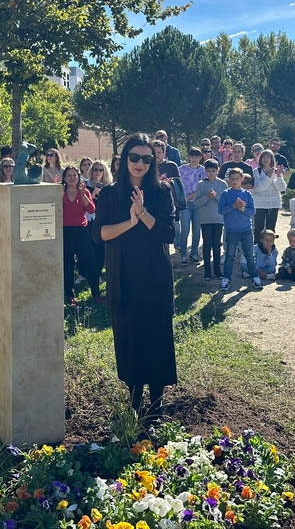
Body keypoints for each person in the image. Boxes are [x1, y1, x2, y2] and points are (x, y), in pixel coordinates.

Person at [92, 133, 176, 417]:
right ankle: (134, 400)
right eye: (134, 157)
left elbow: (169, 233)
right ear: (124, 158)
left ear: (153, 162)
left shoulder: (162, 191)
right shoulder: (110, 194)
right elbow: (99, 234)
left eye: (146, 159)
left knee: (156, 335)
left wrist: (143, 214)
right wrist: (130, 221)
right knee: (130, 337)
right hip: (123, 276)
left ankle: (157, 403)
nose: (139, 163)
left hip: (156, 275)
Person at [62, 166, 103, 305]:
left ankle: (96, 294)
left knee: (91, 262)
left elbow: (91, 209)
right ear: (65, 178)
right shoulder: (61, 192)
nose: (72, 178)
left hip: (82, 231)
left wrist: (83, 194)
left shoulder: (83, 191)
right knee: (68, 264)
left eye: (75, 175)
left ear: (79, 177)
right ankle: (70, 295)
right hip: (66, 231)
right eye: (69, 176)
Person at [217, 168, 262, 292]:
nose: (235, 181)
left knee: (249, 255)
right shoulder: (226, 194)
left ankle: (255, 276)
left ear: (242, 179)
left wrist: (242, 209)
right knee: (229, 256)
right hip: (231, 230)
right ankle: (226, 279)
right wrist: (233, 206)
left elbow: (252, 211)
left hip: (246, 230)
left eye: (237, 178)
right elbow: (221, 210)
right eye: (232, 179)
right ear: (229, 180)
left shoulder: (247, 194)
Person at [195, 159, 226, 280]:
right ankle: (207, 271)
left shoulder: (222, 184)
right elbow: (197, 202)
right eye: (209, 171)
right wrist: (207, 197)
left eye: (213, 171)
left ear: (218, 170)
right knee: (207, 244)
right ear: (205, 171)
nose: (211, 173)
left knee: (217, 244)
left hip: (218, 219)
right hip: (205, 219)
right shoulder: (201, 184)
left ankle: (217, 270)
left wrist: (216, 197)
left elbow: (225, 202)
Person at [251, 149, 286, 245]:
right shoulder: (256, 171)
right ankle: (257, 249)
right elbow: (258, 188)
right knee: (258, 228)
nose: (265, 159)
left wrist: (278, 177)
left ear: (272, 159)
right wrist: (269, 177)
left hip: (273, 203)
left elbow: (282, 188)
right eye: (264, 157)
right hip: (259, 203)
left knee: (271, 229)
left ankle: (270, 250)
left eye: (268, 157)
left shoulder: (277, 171)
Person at [178, 148, 206, 263]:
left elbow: (203, 187)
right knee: (184, 230)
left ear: (200, 158)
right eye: (192, 156)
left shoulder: (203, 171)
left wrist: (190, 196)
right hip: (185, 205)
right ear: (189, 157)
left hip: (198, 204)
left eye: (197, 156)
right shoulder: (181, 169)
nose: (194, 159)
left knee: (196, 230)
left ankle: (194, 253)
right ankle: (183, 254)